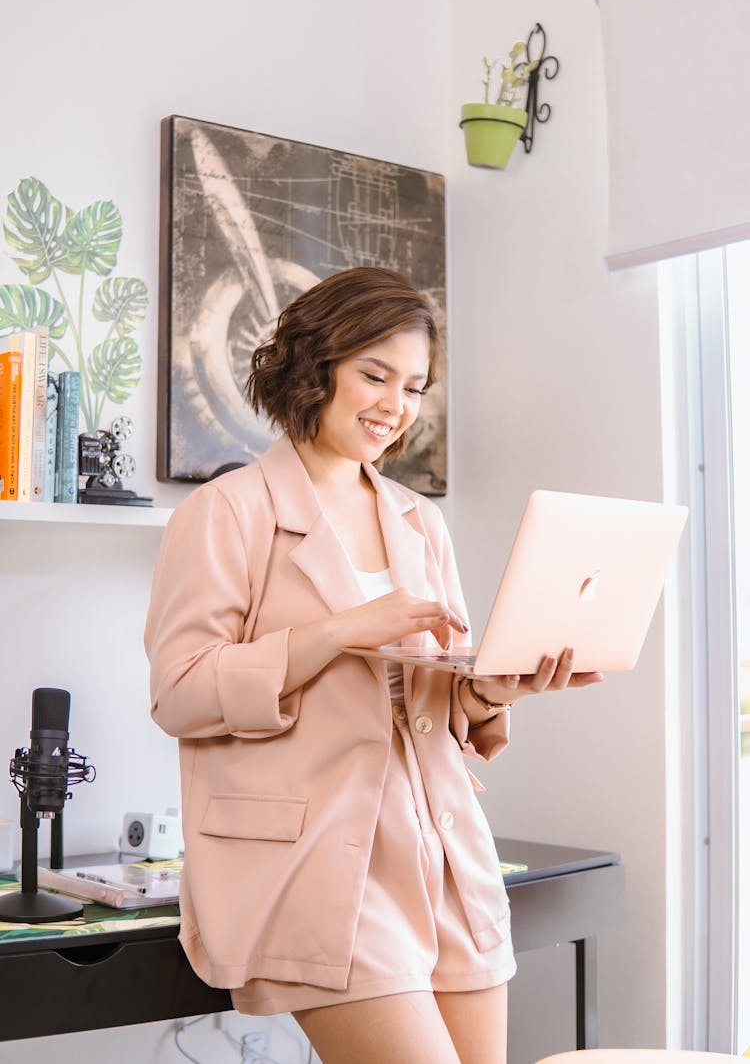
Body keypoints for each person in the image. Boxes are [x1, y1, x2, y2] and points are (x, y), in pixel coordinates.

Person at [144, 266, 603, 1064]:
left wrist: (492, 691)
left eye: (415, 386)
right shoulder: (225, 513)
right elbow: (180, 691)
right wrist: (336, 631)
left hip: (443, 853)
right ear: (314, 367)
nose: (396, 404)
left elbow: (440, 706)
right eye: (375, 374)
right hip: (320, 865)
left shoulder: (420, 523)